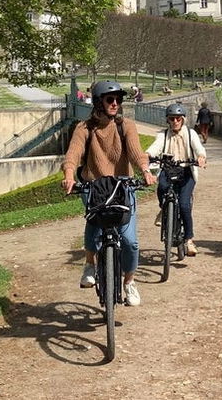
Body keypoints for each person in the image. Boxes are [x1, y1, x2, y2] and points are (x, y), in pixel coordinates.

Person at [62, 80, 156, 305]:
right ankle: (90, 264)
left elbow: (136, 152)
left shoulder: (126, 126)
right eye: (110, 99)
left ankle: (129, 282)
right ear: (98, 102)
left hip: (123, 185)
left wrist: (145, 170)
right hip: (95, 186)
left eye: (118, 100)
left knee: (130, 241)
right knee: (94, 224)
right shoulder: (84, 128)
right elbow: (73, 153)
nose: (115, 103)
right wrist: (68, 174)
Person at [145, 103, 207, 256]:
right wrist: (147, 155)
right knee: (161, 189)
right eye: (172, 119)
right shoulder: (163, 135)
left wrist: (200, 157)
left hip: (186, 171)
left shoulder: (191, 134)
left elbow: (199, 148)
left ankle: (189, 240)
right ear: (168, 120)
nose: (175, 121)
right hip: (168, 170)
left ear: (183, 119)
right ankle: (164, 209)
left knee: (185, 204)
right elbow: (155, 147)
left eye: (178, 118)